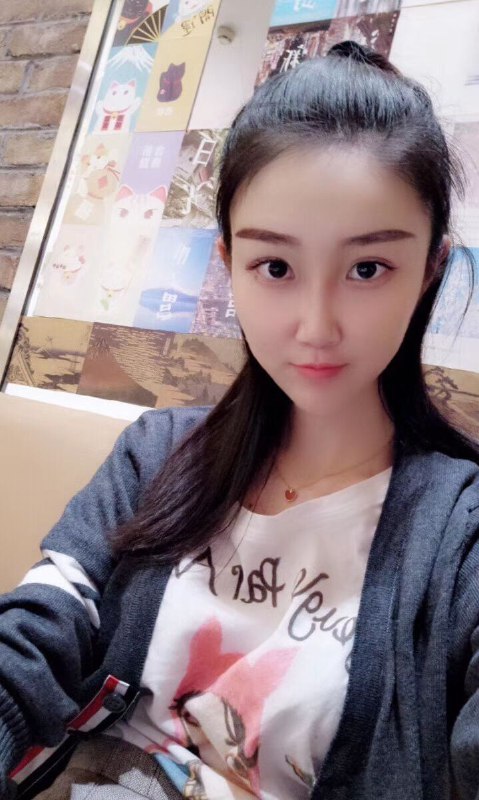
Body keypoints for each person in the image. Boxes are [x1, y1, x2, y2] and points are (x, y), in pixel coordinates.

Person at [1, 40, 479, 800]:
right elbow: (42, 625)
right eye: (275, 267)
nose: (315, 327)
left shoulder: (459, 534)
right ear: (230, 265)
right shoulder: (157, 455)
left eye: (367, 268)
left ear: (429, 272)